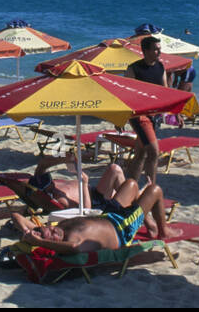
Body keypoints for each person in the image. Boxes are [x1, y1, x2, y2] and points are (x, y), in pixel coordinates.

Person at [9, 178, 169, 253]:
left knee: (131, 184)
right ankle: (163, 231)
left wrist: (27, 232)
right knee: (155, 190)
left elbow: (16, 216)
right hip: (122, 227)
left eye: (48, 229)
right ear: (50, 243)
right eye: (51, 236)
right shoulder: (72, 241)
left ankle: (150, 224)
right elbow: (74, 248)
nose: (52, 230)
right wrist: (40, 241)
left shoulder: (56, 229)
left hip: (108, 214)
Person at [125, 36, 167, 185]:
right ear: (145, 50)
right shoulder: (133, 69)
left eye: (159, 48)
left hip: (155, 116)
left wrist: (174, 113)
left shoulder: (160, 67)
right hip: (139, 116)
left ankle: (130, 185)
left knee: (140, 154)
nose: (159, 52)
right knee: (154, 152)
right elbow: (125, 96)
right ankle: (152, 188)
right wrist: (121, 118)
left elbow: (165, 92)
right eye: (155, 49)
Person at [25, 155, 127, 210]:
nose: (51, 182)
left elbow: (43, 164)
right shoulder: (60, 200)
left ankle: (132, 203)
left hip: (95, 191)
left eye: (48, 178)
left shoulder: (40, 181)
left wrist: (65, 159)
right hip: (95, 202)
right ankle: (133, 209)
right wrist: (84, 184)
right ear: (45, 192)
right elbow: (86, 211)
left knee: (116, 173)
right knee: (115, 170)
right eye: (48, 183)